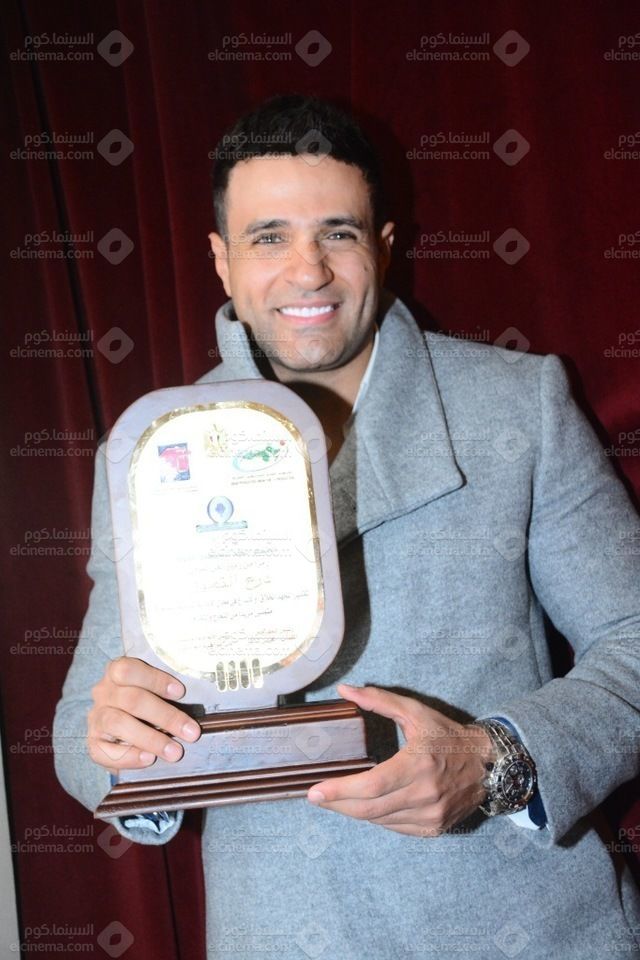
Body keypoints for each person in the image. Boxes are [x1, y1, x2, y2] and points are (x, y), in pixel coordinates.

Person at [54, 94, 640, 959]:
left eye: (337, 232)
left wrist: (497, 761)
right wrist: (124, 743)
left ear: (383, 246)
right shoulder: (153, 450)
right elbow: (81, 727)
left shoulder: (519, 407)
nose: (308, 271)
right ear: (220, 261)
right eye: (268, 237)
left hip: (529, 928)